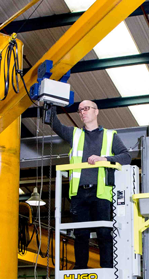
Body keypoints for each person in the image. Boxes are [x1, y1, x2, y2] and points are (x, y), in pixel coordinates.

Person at [51, 100, 131, 269]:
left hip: (101, 192)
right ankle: (81, 269)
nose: (82, 112)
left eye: (86, 108)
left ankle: (108, 268)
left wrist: (105, 159)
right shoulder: (75, 134)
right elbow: (55, 125)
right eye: (80, 110)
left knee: (103, 232)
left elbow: (126, 157)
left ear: (96, 111)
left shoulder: (110, 136)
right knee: (81, 233)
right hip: (79, 193)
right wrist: (49, 104)